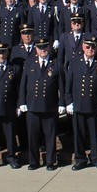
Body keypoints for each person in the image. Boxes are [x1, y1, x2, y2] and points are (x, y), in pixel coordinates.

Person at [18, 37, 65, 171]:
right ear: (36, 49)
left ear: (49, 48)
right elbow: (23, 84)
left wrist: (62, 103)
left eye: (45, 47)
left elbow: (61, 85)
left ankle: (50, 161)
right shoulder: (29, 63)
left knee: (50, 136)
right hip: (32, 105)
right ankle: (33, 161)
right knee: (33, 136)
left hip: (49, 106)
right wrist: (22, 101)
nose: (43, 49)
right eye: (40, 47)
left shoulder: (56, 63)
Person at [65, 36, 97, 172]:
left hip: (94, 105)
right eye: (88, 47)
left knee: (95, 134)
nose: (90, 49)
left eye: (93, 47)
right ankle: (80, 159)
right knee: (79, 134)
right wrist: (68, 101)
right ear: (83, 47)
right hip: (78, 104)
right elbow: (69, 83)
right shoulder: (75, 61)